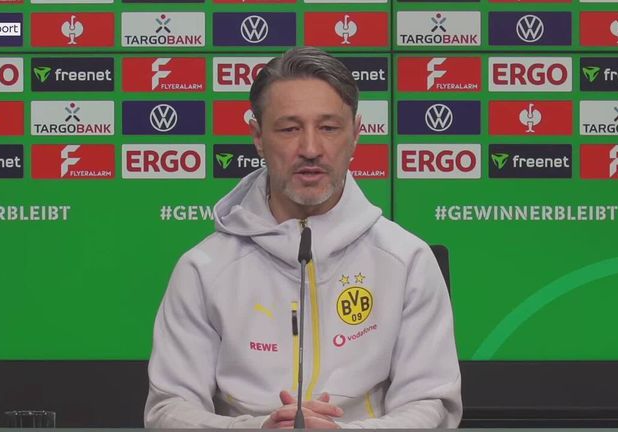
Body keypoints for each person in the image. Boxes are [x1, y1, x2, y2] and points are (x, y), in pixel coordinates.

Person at [144, 46, 462, 428]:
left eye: (328, 128)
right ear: (258, 136)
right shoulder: (202, 269)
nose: (310, 149)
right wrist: (256, 429)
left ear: (356, 135)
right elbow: (168, 411)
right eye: (289, 129)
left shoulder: (408, 260)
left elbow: (431, 407)